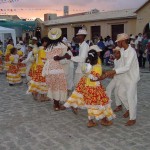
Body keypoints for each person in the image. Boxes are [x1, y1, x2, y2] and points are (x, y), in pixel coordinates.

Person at [64, 49, 115, 127]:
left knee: (90, 104)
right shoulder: (97, 66)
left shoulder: (86, 64)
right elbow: (93, 78)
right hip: (95, 87)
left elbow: (88, 75)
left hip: (87, 87)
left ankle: (90, 121)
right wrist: (103, 76)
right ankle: (103, 120)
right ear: (97, 57)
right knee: (101, 103)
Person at [106, 33, 140, 126]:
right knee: (120, 93)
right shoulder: (121, 50)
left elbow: (127, 67)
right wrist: (112, 71)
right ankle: (129, 109)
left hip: (132, 77)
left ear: (123, 41)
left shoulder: (131, 51)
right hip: (124, 77)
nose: (117, 43)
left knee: (130, 96)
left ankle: (133, 118)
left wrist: (113, 72)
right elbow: (120, 65)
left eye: (118, 41)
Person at [42, 28, 68, 111]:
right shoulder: (62, 45)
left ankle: (55, 104)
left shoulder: (49, 46)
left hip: (49, 69)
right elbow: (62, 58)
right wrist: (64, 57)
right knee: (59, 86)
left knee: (53, 86)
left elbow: (48, 58)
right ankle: (57, 105)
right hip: (58, 68)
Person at [106, 47, 129, 113]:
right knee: (108, 88)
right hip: (115, 78)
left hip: (121, 78)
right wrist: (110, 72)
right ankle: (107, 106)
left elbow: (120, 70)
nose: (115, 55)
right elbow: (115, 69)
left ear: (120, 53)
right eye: (114, 53)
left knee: (117, 92)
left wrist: (111, 73)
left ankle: (124, 107)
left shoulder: (122, 60)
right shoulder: (115, 60)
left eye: (117, 53)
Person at [27, 37, 50, 101]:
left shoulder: (40, 49)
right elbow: (44, 59)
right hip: (41, 67)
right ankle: (39, 95)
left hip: (40, 67)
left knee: (40, 82)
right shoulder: (42, 49)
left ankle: (41, 95)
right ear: (44, 42)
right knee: (41, 82)